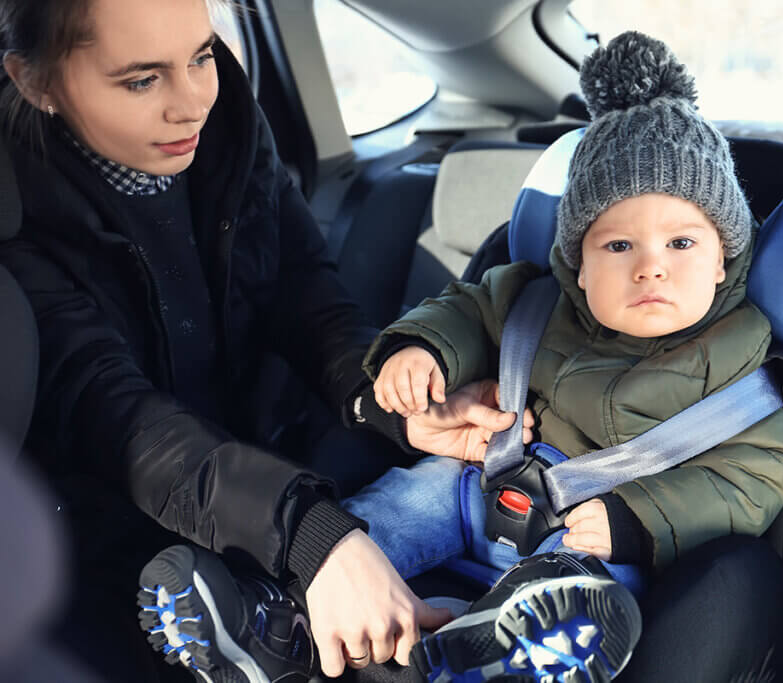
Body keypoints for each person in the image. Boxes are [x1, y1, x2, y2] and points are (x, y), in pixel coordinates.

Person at [0, 1, 528, 680]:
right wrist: (312, 539)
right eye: (141, 80)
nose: (192, 102)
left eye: (200, 56)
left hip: (271, 456)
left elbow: (302, 289)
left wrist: (388, 401)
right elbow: (122, 419)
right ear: (35, 81)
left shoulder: (227, 125)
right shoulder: (17, 216)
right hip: (132, 532)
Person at [352, 31, 783, 682]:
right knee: (406, 500)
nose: (651, 268)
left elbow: (752, 478)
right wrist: (420, 349)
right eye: (619, 246)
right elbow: (467, 311)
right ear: (578, 264)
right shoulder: (532, 298)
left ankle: (508, 651)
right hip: (479, 487)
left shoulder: (736, 362)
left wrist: (640, 518)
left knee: (598, 586)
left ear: (724, 253)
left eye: (681, 242)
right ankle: (298, 588)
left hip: (597, 529)